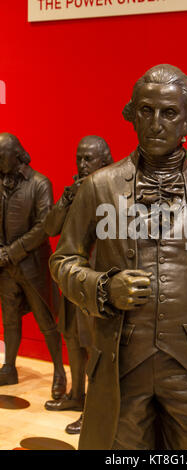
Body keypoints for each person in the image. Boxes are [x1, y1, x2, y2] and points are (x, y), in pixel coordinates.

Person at [49, 65, 187, 450]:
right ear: (132, 114)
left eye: (169, 112)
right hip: (121, 361)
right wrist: (103, 287)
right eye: (146, 110)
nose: (155, 123)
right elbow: (64, 261)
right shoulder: (100, 186)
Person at [44, 135, 113, 435]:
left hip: (95, 280)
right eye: (79, 158)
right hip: (70, 277)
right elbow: (51, 227)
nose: (82, 164)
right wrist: (67, 198)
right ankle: (76, 396)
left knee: (94, 347)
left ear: (104, 160)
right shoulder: (74, 190)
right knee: (71, 338)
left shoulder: (111, 190)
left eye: (89, 159)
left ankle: (93, 411)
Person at [0, 132, 66, 400]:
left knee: (47, 321)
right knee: (10, 319)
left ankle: (60, 372)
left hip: (32, 266)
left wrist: (11, 252)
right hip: (5, 267)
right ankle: (9, 368)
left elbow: (44, 227)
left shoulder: (40, 184)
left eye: (1, 156)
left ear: (17, 156)